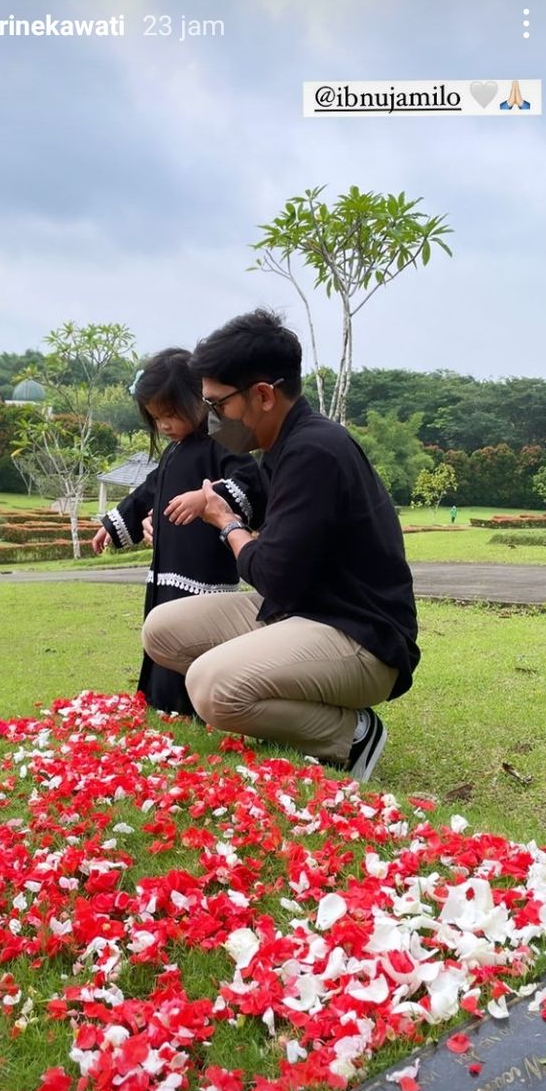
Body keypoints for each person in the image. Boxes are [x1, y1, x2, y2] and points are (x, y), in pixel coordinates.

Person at [141, 310, 420, 782]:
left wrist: (226, 523)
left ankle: (350, 735)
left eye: (217, 405)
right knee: (161, 630)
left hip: (361, 637)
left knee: (210, 686)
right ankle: (276, 708)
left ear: (263, 395)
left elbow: (272, 573)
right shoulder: (280, 447)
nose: (209, 419)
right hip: (301, 612)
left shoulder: (314, 452)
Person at [92, 347, 266, 715]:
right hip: (167, 567)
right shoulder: (173, 452)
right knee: (161, 626)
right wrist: (113, 524)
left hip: (204, 571)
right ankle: (163, 699)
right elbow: (147, 493)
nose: (164, 426)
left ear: (196, 401)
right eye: (157, 419)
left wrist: (207, 498)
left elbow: (252, 483)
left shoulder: (221, 443)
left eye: (170, 415)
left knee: (191, 632)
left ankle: (194, 702)